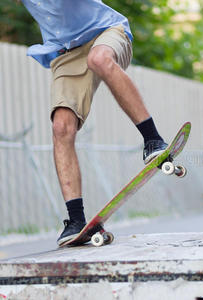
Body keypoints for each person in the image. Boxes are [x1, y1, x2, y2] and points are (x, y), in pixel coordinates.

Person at [19, 1, 168, 245]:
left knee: (98, 58)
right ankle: (76, 220)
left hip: (107, 32)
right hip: (67, 52)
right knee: (61, 127)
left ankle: (153, 140)